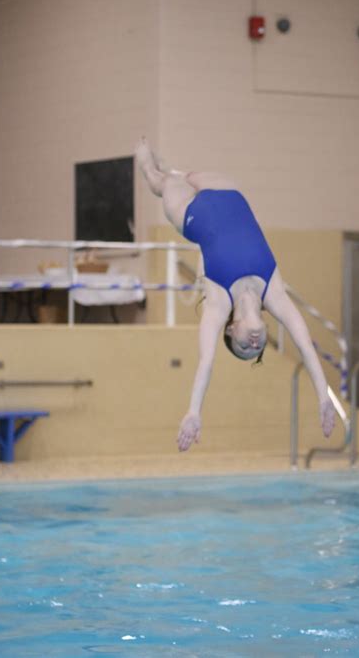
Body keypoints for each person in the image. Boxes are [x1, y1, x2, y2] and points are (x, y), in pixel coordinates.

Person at [135, 137, 336, 452]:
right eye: (255, 349)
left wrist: (193, 412)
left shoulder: (218, 304)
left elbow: (206, 362)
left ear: (231, 329)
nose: (253, 344)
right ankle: (166, 167)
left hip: (189, 214)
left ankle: (149, 166)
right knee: (183, 174)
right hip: (229, 193)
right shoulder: (275, 293)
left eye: (243, 345)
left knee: (163, 182)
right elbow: (306, 346)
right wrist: (324, 395)